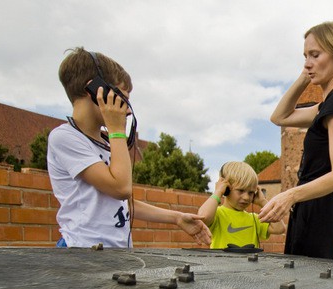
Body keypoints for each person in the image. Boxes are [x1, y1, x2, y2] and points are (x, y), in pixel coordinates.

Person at [47, 48, 211, 248]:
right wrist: (117, 130)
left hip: (114, 252)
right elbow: (121, 189)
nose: (126, 110)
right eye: (121, 99)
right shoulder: (64, 137)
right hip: (81, 252)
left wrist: (176, 217)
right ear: (96, 91)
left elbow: (123, 203)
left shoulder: (106, 143)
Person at [261, 21, 333, 259]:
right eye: (305, 56)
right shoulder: (328, 104)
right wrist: (304, 78)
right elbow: (279, 117)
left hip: (320, 209)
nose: (307, 63)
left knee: (306, 278)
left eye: (315, 55)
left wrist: (290, 195)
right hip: (314, 205)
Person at [197, 162, 285, 249]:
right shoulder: (217, 214)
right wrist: (218, 192)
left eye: (251, 193)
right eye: (241, 191)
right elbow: (203, 217)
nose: (246, 197)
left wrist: (263, 202)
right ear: (226, 190)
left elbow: (279, 228)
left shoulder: (255, 219)